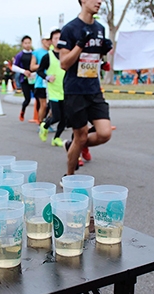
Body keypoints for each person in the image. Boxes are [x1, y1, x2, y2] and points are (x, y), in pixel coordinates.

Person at [58, 0, 113, 179]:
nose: (99, 2)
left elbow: (95, 60)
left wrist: (104, 54)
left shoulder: (100, 28)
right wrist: (80, 44)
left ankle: (74, 144)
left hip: (94, 88)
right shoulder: (70, 29)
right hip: (75, 90)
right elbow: (64, 64)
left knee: (105, 133)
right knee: (80, 136)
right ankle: (69, 176)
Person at [36, 28, 66, 147]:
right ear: (51, 41)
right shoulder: (47, 56)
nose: (58, 41)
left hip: (66, 90)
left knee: (65, 118)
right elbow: (39, 71)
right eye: (55, 38)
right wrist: (47, 77)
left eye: (60, 38)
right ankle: (45, 125)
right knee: (57, 116)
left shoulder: (67, 54)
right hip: (53, 91)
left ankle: (57, 138)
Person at [12, 35, 35, 121]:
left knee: (39, 98)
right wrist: (24, 71)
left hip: (34, 78)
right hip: (24, 79)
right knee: (27, 99)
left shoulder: (34, 54)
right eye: (26, 43)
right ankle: (22, 111)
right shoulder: (19, 55)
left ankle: (40, 117)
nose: (27, 45)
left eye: (29, 43)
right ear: (22, 44)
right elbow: (14, 67)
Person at [30, 33, 52, 123]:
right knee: (43, 105)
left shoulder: (53, 52)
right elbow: (32, 67)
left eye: (50, 40)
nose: (49, 42)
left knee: (53, 105)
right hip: (41, 82)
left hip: (53, 82)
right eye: (47, 40)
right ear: (42, 41)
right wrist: (43, 64)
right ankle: (41, 123)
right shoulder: (37, 52)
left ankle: (49, 122)